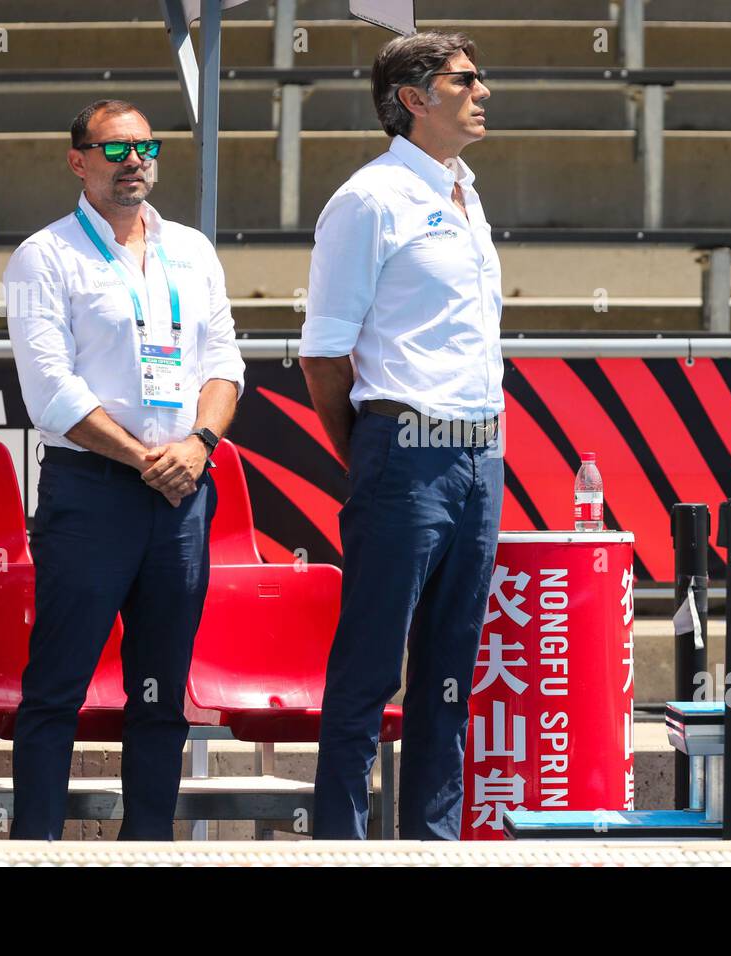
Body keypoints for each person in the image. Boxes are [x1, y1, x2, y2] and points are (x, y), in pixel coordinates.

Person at [3, 99, 244, 840]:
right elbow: (51, 393)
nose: (134, 161)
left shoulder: (193, 250)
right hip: (94, 493)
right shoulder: (43, 256)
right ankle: (34, 853)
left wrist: (199, 444)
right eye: (115, 150)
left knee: (160, 693)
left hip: (181, 496)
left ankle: (149, 849)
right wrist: (148, 458)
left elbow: (225, 362)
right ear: (78, 160)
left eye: (146, 147)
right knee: (56, 690)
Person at [300, 31, 504, 840]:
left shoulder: (465, 189)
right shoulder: (368, 199)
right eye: (465, 79)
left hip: (479, 453)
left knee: (451, 674)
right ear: (414, 99)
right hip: (405, 451)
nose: (483, 91)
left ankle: (434, 848)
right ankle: (341, 852)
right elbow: (322, 354)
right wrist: (374, 454)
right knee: (370, 670)